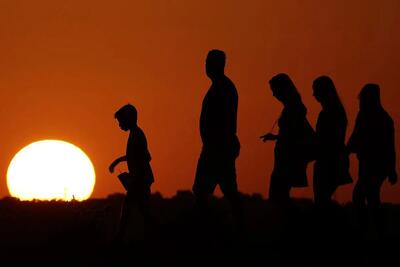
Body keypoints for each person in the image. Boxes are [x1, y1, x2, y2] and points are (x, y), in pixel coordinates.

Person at [192, 49, 243, 232]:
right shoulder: (220, 86)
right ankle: (226, 227)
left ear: (218, 64)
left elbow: (224, 121)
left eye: (208, 62)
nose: (205, 66)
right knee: (225, 191)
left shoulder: (224, 88)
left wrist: (216, 144)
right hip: (216, 147)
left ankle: (214, 229)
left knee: (203, 191)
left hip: (217, 148)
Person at [347, 84, 397, 236]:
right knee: (372, 197)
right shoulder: (364, 116)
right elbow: (355, 137)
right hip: (367, 163)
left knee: (360, 195)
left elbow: (389, 146)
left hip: (376, 165)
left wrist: (391, 169)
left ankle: (366, 230)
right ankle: (377, 231)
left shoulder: (383, 119)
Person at [260, 73, 314, 203]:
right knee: (280, 196)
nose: (274, 94)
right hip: (284, 159)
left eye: (274, 90)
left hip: (288, 160)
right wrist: (276, 137)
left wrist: (280, 137)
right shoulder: (292, 108)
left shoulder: (295, 109)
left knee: (278, 197)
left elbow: (294, 134)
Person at [109, 104, 155, 242]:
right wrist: (118, 161)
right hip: (140, 179)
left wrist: (135, 174)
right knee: (143, 211)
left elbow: (146, 156)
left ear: (128, 119)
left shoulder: (137, 135)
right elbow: (135, 155)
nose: (120, 125)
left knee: (128, 210)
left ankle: (119, 239)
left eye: (121, 121)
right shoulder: (135, 134)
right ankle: (156, 236)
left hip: (140, 180)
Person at [312, 76, 352, 206]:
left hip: (327, 163)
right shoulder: (338, 112)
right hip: (336, 161)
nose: (313, 94)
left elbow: (324, 140)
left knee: (321, 202)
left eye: (316, 90)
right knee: (323, 200)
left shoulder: (327, 114)